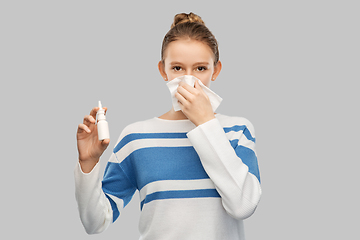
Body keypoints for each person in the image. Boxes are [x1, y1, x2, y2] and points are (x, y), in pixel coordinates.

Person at [75, 12, 261, 240]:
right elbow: (95, 222)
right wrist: (88, 163)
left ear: (216, 69)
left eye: (200, 68)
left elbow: (243, 205)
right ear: (163, 70)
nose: (188, 80)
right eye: (177, 68)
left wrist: (205, 122)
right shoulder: (137, 138)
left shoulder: (237, 131)